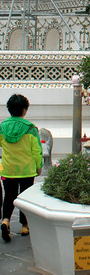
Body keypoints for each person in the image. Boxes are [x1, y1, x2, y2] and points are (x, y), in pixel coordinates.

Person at [0, 94, 43, 242]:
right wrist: (39, 166)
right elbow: (36, 150)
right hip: (26, 170)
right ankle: (25, 225)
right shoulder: (30, 129)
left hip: (8, 169)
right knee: (25, 198)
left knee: (9, 196)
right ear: (24, 110)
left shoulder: (2, 127)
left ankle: (5, 220)